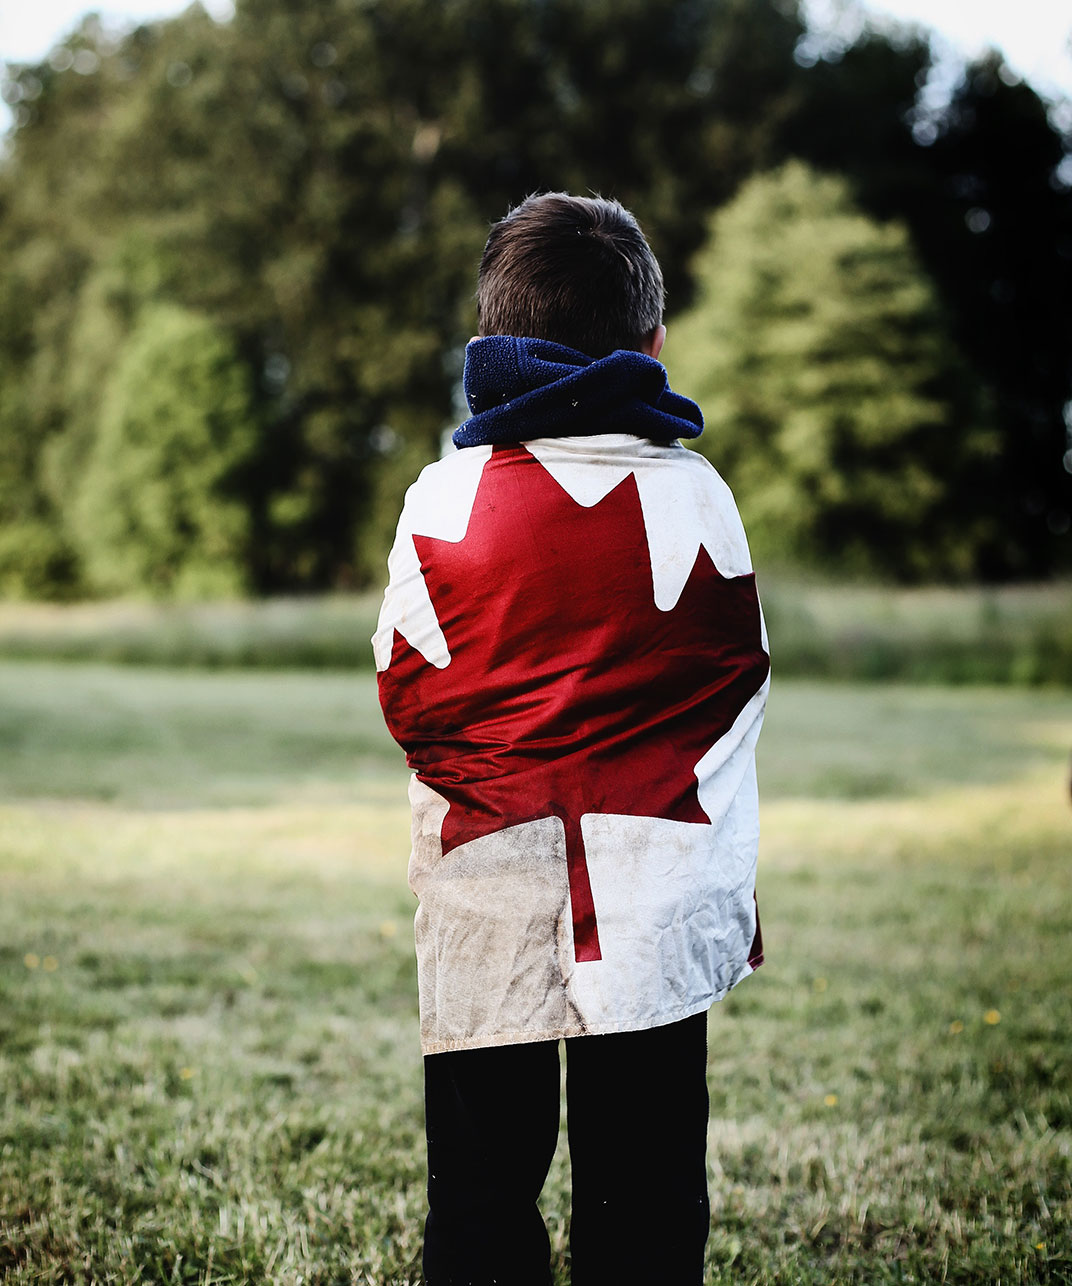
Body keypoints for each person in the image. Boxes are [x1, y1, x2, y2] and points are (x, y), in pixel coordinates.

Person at [372, 192, 770, 1285]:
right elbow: (733, 690)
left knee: (479, 1200)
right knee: (643, 1201)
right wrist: (716, 877)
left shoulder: (443, 498)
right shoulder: (697, 493)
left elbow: (406, 695)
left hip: (484, 876)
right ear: (652, 343)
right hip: (655, 884)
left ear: (498, 334)